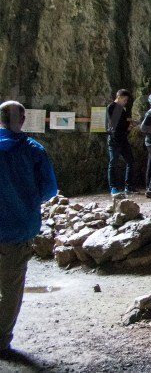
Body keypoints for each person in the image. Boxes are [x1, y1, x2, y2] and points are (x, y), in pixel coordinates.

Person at [0, 101, 58, 357]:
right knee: (11, 288)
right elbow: (49, 190)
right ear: (23, 120)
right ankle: (1, 340)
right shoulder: (33, 150)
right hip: (17, 228)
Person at [106, 89, 135, 195]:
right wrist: (127, 127)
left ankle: (128, 186)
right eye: (125, 99)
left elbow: (121, 124)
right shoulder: (112, 107)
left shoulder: (122, 109)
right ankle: (113, 187)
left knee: (130, 161)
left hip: (123, 139)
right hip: (114, 140)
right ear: (120, 97)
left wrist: (128, 127)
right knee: (113, 163)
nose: (126, 102)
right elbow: (115, 125)